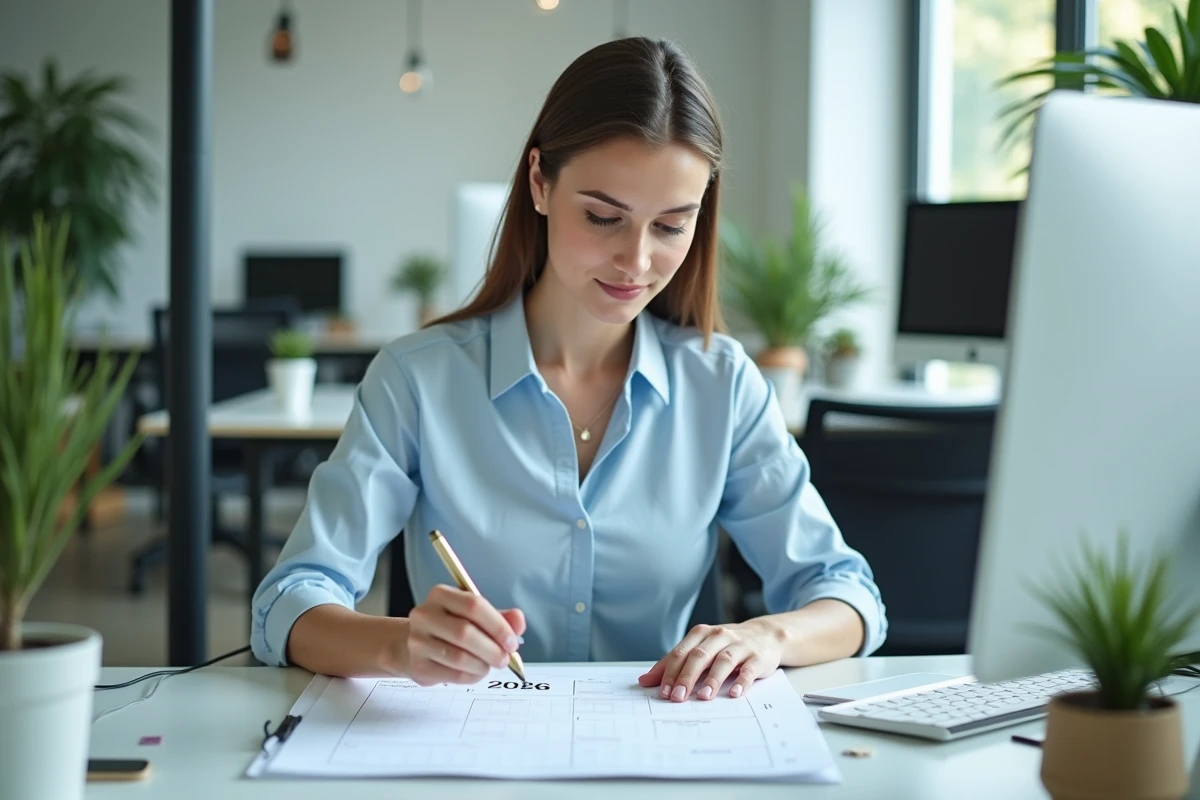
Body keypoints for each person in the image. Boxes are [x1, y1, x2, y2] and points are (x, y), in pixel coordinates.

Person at [251, 36, 886, 703]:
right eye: (604, 217)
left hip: (662, 750)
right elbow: (290, 602)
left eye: (671, 226)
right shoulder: (417, 381)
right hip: (468, 752)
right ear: (539, 183)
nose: (635, 261)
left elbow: (846, 593)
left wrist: (768, 638)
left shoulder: (720, 384)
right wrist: (397, 645)